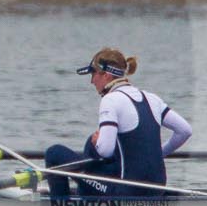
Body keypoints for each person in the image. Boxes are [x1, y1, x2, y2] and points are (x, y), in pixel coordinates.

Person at [44, 48, 193, 197]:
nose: (91, 81)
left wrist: (98, 142)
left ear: (106, 75)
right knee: (95, 147)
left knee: (55, 153)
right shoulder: (152, 98)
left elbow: (105, 150)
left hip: (127, 191)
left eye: (93, 74)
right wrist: (158, 154)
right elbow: (185, 131)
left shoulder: (110, 100)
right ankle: (84, 197)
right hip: (157, 188)